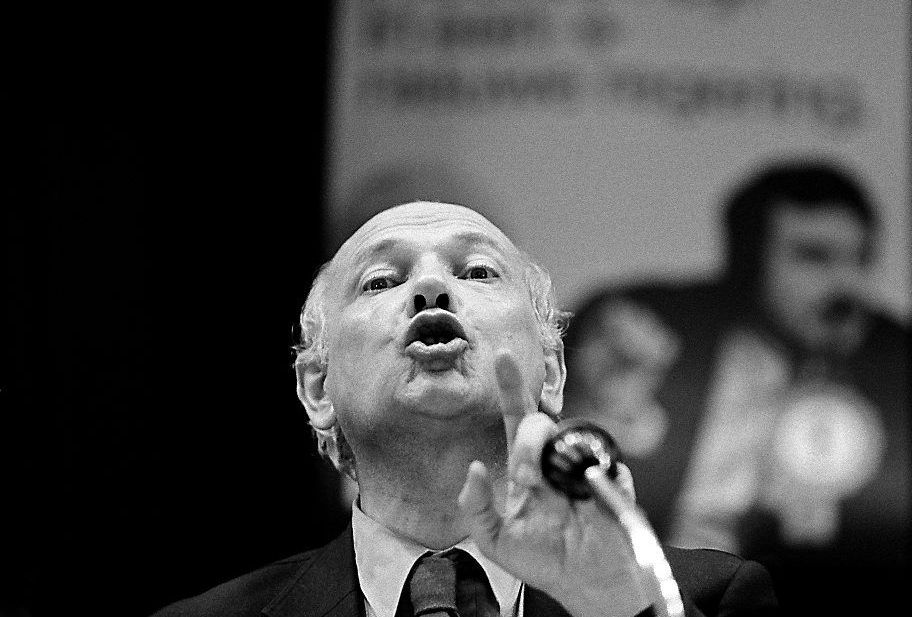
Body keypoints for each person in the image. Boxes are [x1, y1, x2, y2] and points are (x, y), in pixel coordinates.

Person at [151, 200, 778, 616]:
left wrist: (617, 605)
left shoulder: (703, 600)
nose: (430, 286)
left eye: (477, 271)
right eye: (381, 281)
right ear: (317, 388)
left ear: (553, 372)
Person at [562, 160, 912, 616]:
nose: (845, 286)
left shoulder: (898, 361)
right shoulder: (641, 325)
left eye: (860, 260)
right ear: (748, 258)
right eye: (814, 257)